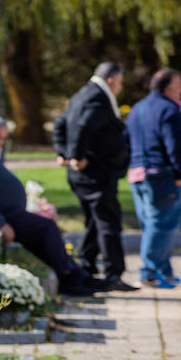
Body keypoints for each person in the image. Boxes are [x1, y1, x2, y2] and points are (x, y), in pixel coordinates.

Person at [0, 116, 97, 296]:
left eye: (3, 138)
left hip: (7, 214)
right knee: (46, 228)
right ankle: (70, 276)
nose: (0, 142)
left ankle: (74, 274)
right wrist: (1, 224)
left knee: (43, 233)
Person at [53, 62, 135, 291]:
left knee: (94, 221)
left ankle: (87, 267)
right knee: (108, 221)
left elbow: (61, 123)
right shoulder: (97, 97)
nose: (119, 88)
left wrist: (63, 152)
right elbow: (81, 127)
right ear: (111, 80)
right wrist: (75, 155)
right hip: (95, 174)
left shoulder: (83, 93)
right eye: (119, 83)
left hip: (89, 174)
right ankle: (113, 274)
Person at [125, 68, 181, 288]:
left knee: (153, 225)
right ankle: (148, 274)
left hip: (137, 174)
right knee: (161, 226)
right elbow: (177, 146)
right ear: (167, 87)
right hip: (163, 177)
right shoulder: (169, 111)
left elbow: (127, 141)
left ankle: (165, 272)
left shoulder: (137, 108)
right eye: (179, 84)